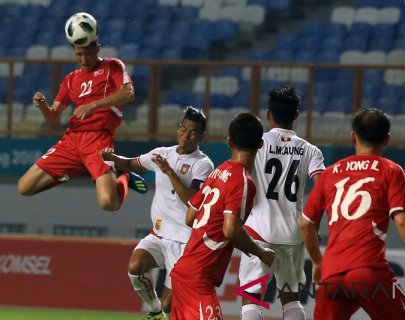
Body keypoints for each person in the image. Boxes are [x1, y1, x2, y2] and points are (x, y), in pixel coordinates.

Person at [301, 108, 405, 320]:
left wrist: (317, 262)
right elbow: (402, 221)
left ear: (352, 136)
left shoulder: (329, 174)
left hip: (332, 274)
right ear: (387, 140)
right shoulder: (391, 171)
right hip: (368, 270)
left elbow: (305, 224)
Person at [17, 12, 146, 211]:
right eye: (79, 54)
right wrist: (43, 106)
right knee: (24, 187)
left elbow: (128, 93)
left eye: (88, 53)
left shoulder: (113, 66)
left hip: (99, 141)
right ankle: (77, 170)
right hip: (72, 141)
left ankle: (124, 176)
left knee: (108, 205)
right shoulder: (70, 79)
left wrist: (94, 105)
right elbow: (53, 117)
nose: (84, 59)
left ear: (98, 48)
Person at [101, 106, 214, 320]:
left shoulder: (203, 164)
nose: (185, 134)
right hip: (159, 234)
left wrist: (169, 171)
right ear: (179, 128)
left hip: (184, 241)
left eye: (192, 132)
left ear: (201, 136)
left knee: (169, 304)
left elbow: (193, 201)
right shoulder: (162, 153)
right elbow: (131, 163)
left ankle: (161, 311)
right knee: (135, 267)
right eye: (183, 128)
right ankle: (154, 311)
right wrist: (111, 157)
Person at [170, 112, 276, 320]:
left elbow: (190, 217)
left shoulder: (217, 173)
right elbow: (231, 229)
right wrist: (261, 253)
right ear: (261, 145)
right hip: (199, 278)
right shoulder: (244, 181)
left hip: (183, 272)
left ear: (229, 141)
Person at [238, 86, 325, 320]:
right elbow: (323, 189)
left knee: (251, 295)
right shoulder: (311, 151)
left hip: (258, 230)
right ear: (296, 115)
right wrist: (314, 225)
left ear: (268, 114)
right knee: (291, 295)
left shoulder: (256, 143)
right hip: (293, 234)